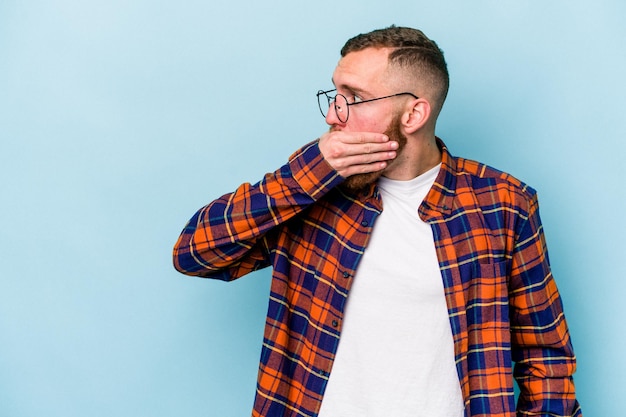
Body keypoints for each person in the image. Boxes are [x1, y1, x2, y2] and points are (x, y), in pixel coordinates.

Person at [173, 26, 582, 417]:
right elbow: (195, 254)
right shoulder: (309, 187)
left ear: (413, 114)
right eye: (334, 93)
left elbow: (545, 355)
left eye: (352, 96)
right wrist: (304, 178)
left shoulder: (503, 204)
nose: (334, 114)